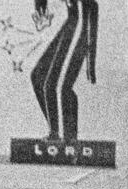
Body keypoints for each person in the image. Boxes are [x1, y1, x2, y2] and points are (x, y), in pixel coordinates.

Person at [30, 0, 98, 141]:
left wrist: (90, 60)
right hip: (72, 20)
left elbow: (92, 6)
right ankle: (62, 132)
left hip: (81, 21)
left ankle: (61, 134)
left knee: (56, 85)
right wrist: (40, 9)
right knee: (38, 76)